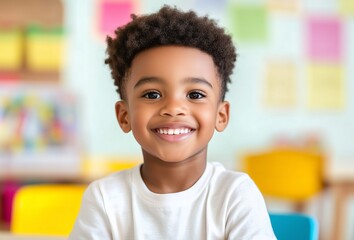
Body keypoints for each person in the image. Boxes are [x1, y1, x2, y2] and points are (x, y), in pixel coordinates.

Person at [69, 5, 276, 240]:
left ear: (221, 115)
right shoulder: (105, 199)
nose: (173, 108)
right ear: (124, 116)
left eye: (195, 95)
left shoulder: (235, 195)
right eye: (152, 94)